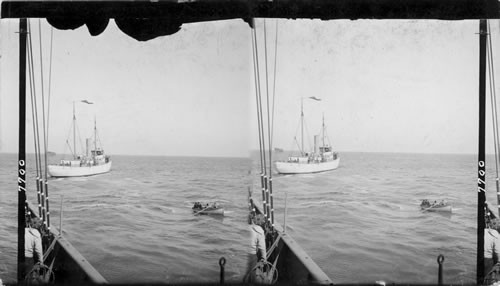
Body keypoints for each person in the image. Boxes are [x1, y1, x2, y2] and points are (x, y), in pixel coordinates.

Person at [246, 213, 267, 280]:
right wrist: (264, 258)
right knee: (252, 275)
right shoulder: (259, 230)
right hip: (251, 255)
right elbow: (262, 247)